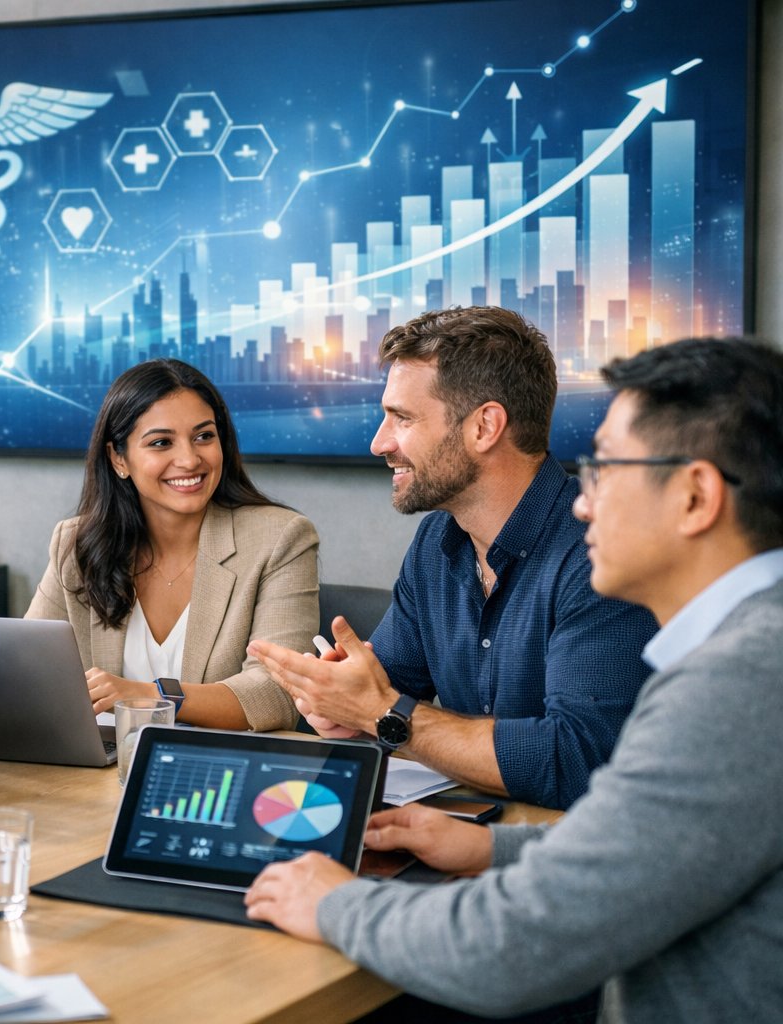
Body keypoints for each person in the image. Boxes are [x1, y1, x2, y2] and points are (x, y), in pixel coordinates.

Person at [245, 337, 783, 1022]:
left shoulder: (737, 685)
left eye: (606, 469)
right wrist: (487, 844)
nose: (583, 503)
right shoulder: (748, 652)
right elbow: (653, 843)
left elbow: (518, 945)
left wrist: (335, 902)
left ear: (696, 495)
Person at [250, 307, 657, 808]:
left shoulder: (602, 552)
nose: (380, 443)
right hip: (471, 841)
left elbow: (575, 763)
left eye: (402, 418)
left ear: (485, 426)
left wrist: (385, 714)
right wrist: (341, 705)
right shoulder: (436, 541)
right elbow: (384, 691)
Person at [27, 358, 318, 731]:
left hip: (217, 770)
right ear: (119, 458)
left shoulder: (281, 538)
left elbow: (277, 694)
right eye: (161, 442)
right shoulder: (77, 544)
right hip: (99, 773)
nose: (189, 459)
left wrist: (148, 696)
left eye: (204, 436)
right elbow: (30, 670)